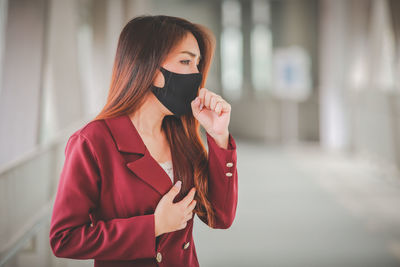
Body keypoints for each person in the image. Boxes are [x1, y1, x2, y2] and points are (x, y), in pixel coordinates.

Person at [49, 15, 238, 267]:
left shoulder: (181, 136)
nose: (196, 74)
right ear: (148, 67)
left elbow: (220, 217)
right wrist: (153, 226)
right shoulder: (93, 141)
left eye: (198, 64)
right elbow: (64, 238)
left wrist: (219, 136)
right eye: (186, 61)